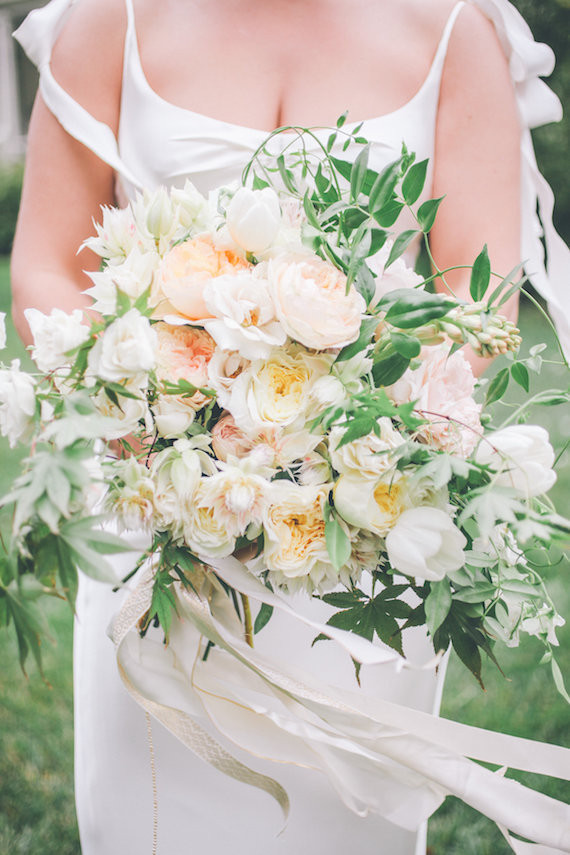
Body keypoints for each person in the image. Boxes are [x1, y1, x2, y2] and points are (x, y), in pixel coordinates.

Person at [9, 1, 567, 853]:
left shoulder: (454, 28)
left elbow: (475, 293)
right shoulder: (106, 20)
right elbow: (47, 263)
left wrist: (329, 442)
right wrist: (166, 424)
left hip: (365, 524)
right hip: (158, 514)